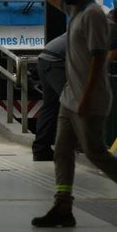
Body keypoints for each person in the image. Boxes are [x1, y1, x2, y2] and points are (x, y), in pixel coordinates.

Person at [32, 0, 117, 228]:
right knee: (62, 150)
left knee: (96, 152)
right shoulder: (75, 11)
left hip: (89, 99)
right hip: (69, 98)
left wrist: (86, 98)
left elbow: (99, 60)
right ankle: (62, 205)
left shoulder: (95, 16)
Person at [30, 33, 67, 162]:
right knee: (72, 102)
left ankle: (41, 150)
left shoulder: (88, 23)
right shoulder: (106, 29)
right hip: (56, 63)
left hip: (46, 60)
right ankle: (73, 146)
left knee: (50, 107)